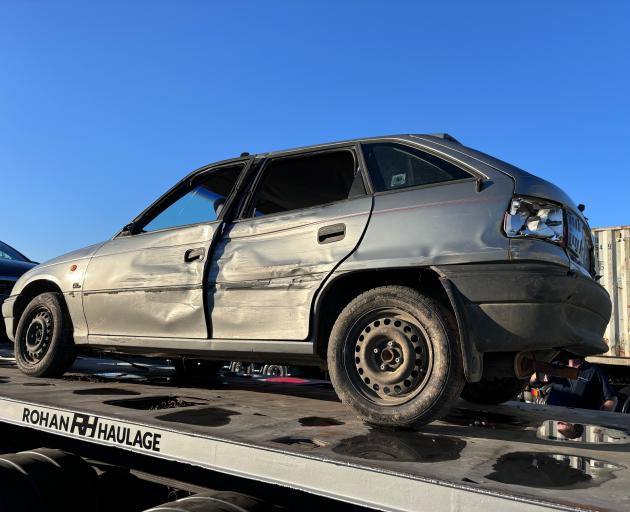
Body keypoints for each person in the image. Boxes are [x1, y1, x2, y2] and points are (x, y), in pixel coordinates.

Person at [543, 358, 618, 412]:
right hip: (553, 419)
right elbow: (533, 383)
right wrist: (540, 374)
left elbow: (612, 399)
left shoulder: (593, 371)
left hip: (580, 424)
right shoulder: (556, 366)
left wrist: (600, 419)